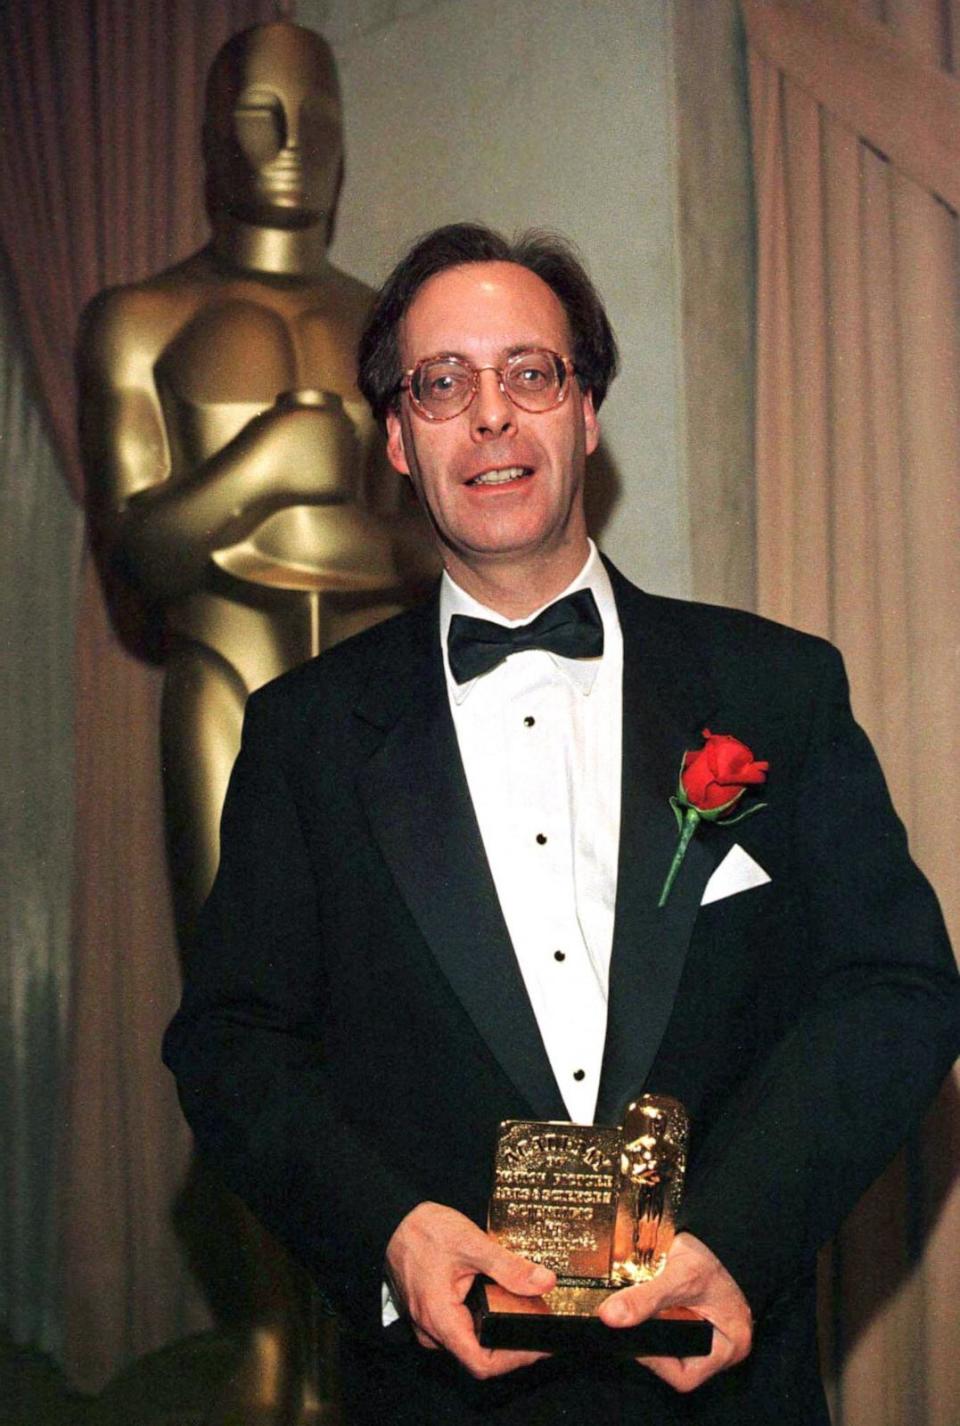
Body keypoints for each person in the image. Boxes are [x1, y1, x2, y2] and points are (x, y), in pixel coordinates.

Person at [163, 222, 960, 1424]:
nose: (491, 415)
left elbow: (897, 989)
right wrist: (388, 1235)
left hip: (723, 1381)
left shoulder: (775, 692)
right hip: (440, 1392)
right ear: (393, 436)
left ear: (586, 411)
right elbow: (231, 1045)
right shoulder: (305, 736)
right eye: (443, 383)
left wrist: (739, 1235)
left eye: (530, 372)